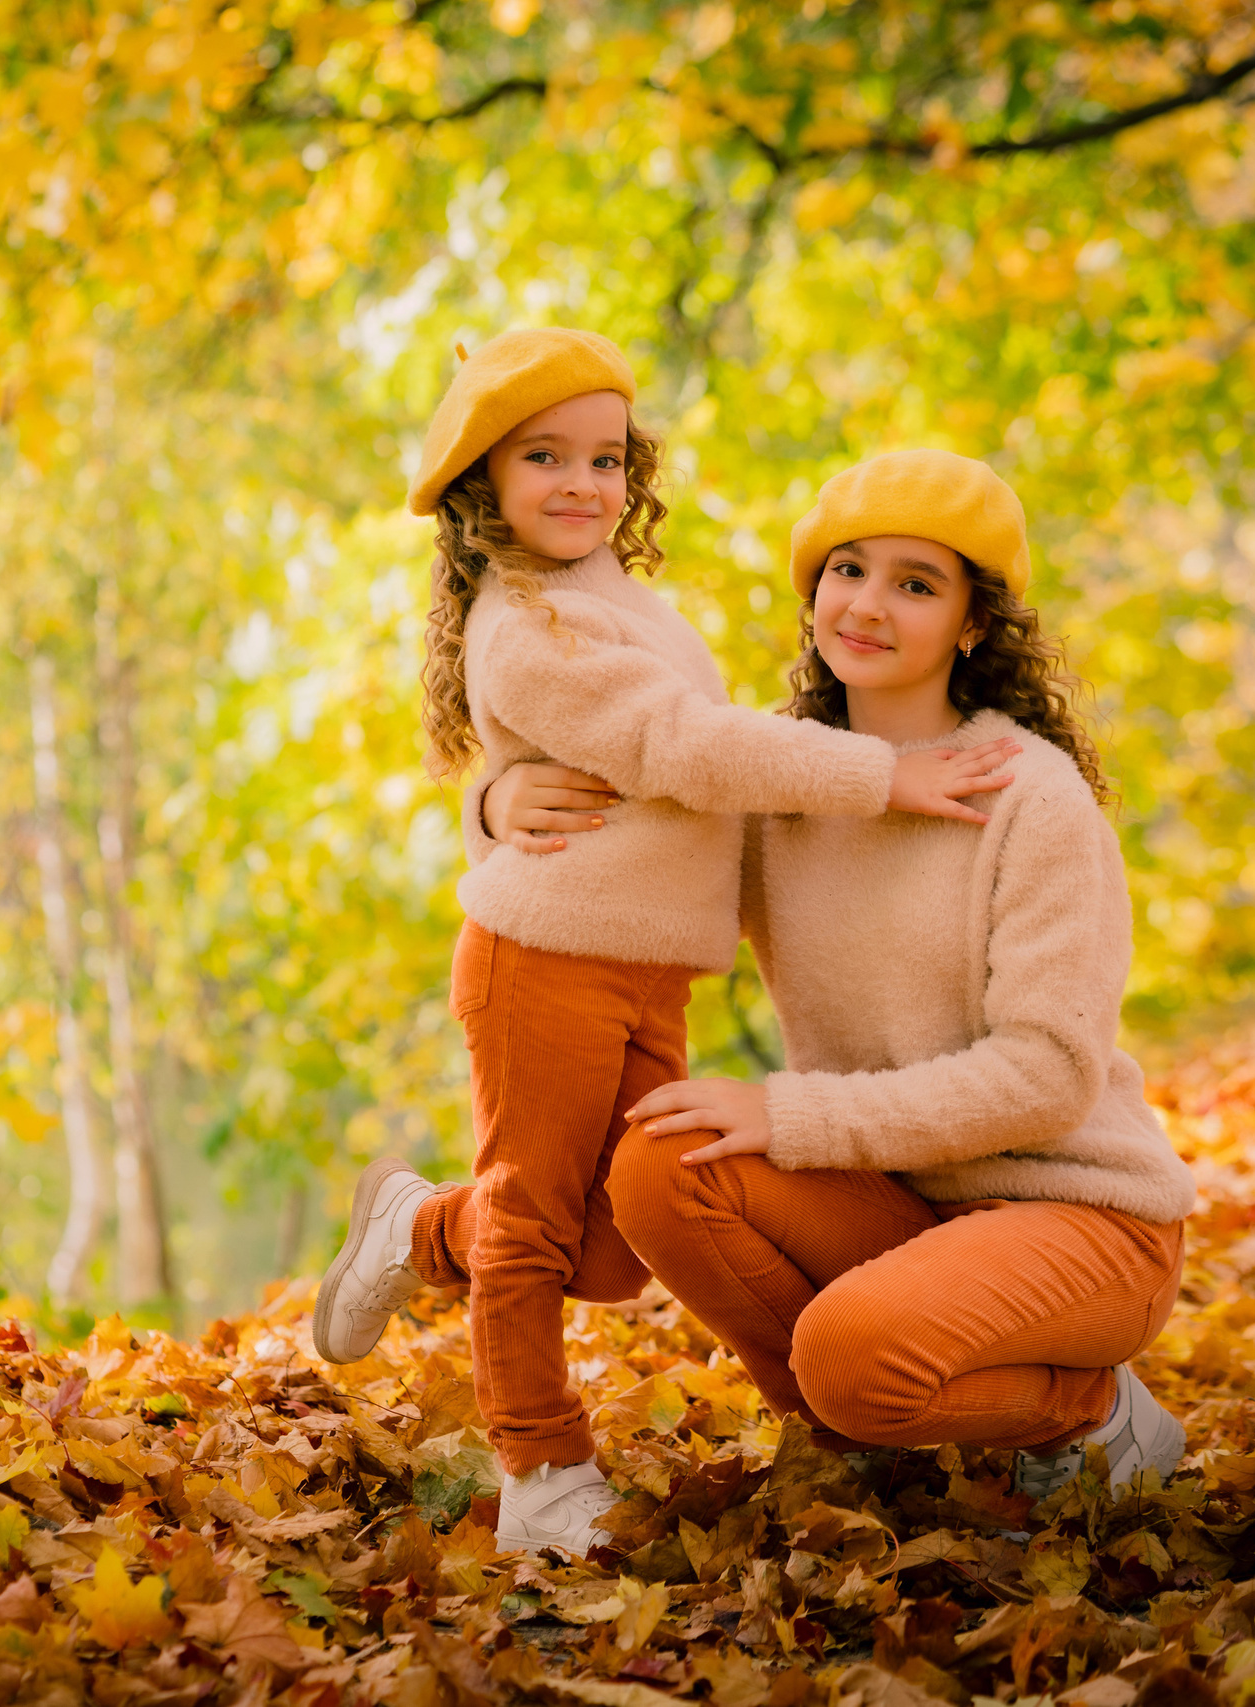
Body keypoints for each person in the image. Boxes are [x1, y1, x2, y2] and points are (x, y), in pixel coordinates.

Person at [309, 336, 1020, 1557]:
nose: (582, 483)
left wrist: (492, 797)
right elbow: (681, 750)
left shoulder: (619, 599)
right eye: (545, 458)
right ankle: (540, 1467)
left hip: (651, 969)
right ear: (485, 481)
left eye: (604, 457)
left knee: (625, 1236)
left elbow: (680, 782)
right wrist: (883, 776)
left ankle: (420, 1231)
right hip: (546, 960)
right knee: (533, 1225)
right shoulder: (526, 620)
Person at [483, 449, 1197, 1503]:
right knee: (657, 1164)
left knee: (852, 1357)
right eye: (846, 569)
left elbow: (1047, 1077)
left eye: (915, 583)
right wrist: (497, 804)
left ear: (972, 626)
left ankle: (1095, 1417)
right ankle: (872, 1451)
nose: (866, 604)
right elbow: (626, 845)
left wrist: (788, 1114)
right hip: (897, 1209)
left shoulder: (1032, 801)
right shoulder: (779, 780)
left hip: (1082, 1217)